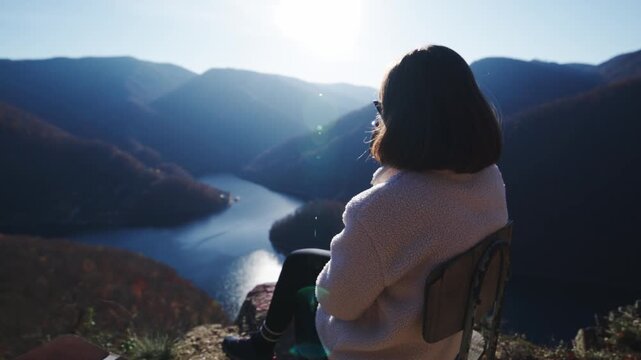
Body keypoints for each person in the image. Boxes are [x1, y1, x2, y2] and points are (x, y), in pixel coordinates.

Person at [222, 45, 509, 360]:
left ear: (404, 119)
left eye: (383, 108)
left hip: (383, 351)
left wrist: (345, 260)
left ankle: (268, 348)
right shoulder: (488, 180)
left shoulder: (383, 208)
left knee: (311, 289)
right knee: (301, 261)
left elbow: (339, 304)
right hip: (443, 346)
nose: (379, 119)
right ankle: (261, 345)